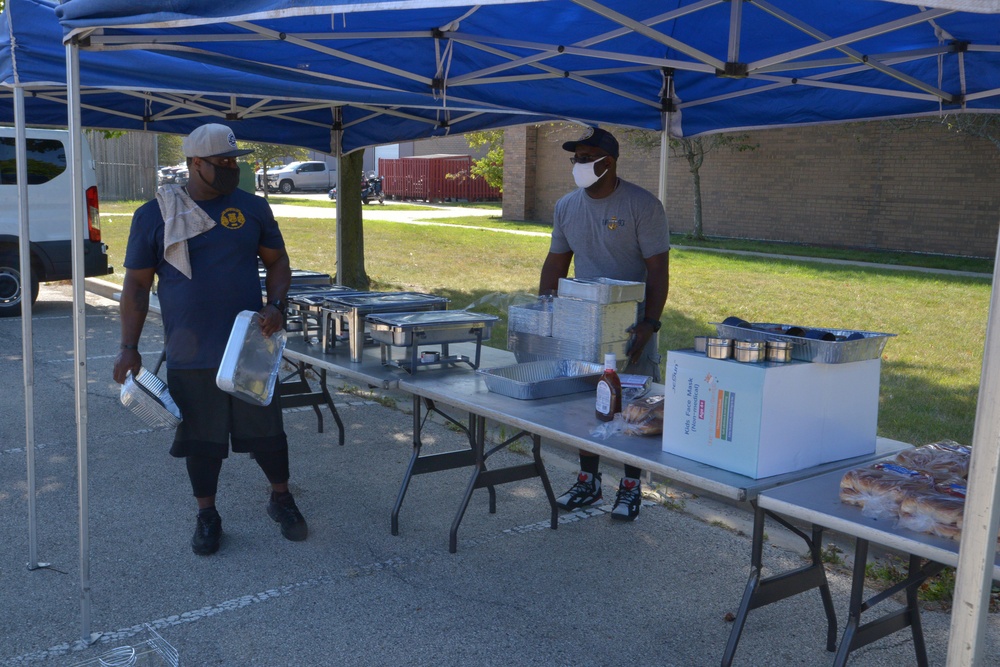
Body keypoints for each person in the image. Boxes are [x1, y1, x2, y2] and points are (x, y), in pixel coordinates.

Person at [112, 123, 306, 556]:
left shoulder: (252, 209)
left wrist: (276, 303)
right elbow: (137, 287)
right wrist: (129, 347)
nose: (230, 169)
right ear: (194, 164)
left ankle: (281, 498)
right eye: (221, 163)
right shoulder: (155, 215)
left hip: (248, 347)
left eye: (234, 161)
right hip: (189, 347)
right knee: (201, 440)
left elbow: (278, 262)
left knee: (267, 431)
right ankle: (207, 514)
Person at [539, 126, 670, 522]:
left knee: (633, 408)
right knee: (587, 402)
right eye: (575, 158)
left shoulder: (643, 206)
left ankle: (631, 486)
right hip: (584, 322)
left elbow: (658, 271)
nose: (576, 165)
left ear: (606, 162)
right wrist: (546, 312)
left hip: (632, 326)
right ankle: (589, 481)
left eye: (584, 158)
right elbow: (556, 262)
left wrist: (650, 323)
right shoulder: (566, 206)